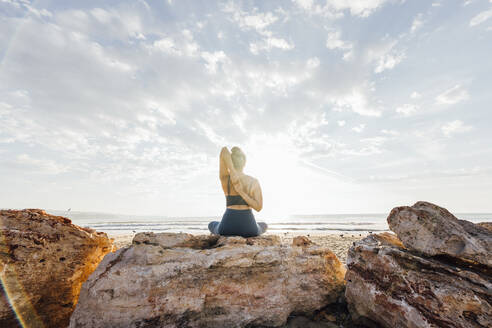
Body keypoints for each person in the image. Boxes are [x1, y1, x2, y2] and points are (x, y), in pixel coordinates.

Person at [208, 146, 267, 237]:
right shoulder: (253, 181)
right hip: (249, 228)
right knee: (264, 225)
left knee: (212, 224)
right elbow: (258, 207)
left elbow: (224, 150)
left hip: (227, 227)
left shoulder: (225, 178)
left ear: (231, 161)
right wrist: (243, 193)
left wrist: (231, 170)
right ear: (245, 162)